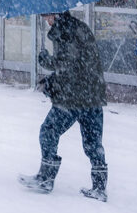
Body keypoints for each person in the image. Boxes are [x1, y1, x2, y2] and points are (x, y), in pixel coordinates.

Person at [18, 11, 109, 202]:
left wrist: (46, 62)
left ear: (57, 14)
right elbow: (80, 66)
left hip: (75, 97)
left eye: (47, 17)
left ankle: (45, 178)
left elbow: (67, 64)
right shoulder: (77, 27)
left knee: (48, 131)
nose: (46, 21)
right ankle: (99, 187)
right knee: (93, 143)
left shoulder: (66, 31)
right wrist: (53, 79)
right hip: (92, 94)